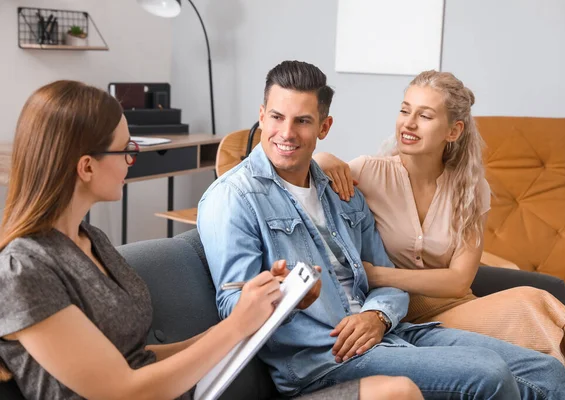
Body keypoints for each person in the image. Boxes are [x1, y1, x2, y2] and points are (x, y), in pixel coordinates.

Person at [0, 80, 410, 400]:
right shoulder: (24, 270)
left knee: (399, 392)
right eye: (125, 148)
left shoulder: (92, 241)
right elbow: (124, 389)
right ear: (87, 167)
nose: (133, 156)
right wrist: (234, 328)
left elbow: (139, 361)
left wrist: (264, 309)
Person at [198, 60, 565, 399]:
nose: (287, 132)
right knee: (489, 375)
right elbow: (232, 306)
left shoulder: (340, 190)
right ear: (261, 115)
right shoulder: (233, 198)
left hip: (389, 332)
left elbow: (386, 282)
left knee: (542, 370)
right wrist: (288, 294)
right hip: (324, 357)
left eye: (303, 121)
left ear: (324, 126)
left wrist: (377, 316)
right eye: (277, 117)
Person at [313, 69, 565, 397]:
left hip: (456, 310)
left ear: (454, 130)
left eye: (425, 115)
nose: (409, 123)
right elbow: (304, 180)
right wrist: (323, 156)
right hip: (396, 314)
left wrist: (378, 274)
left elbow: (458, 281)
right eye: (405, 110)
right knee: (537, 324)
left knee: (536, 307)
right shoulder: (368, 172)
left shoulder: (472, 189)